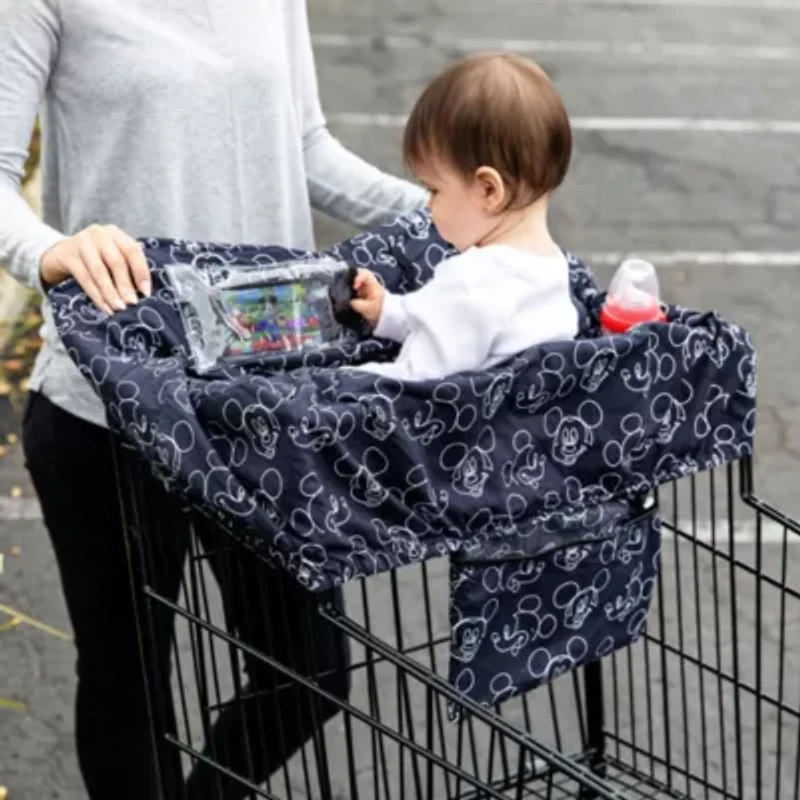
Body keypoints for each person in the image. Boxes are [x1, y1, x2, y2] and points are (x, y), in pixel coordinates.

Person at [0, 1, 425, 798]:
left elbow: (304, 147)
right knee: (131, 687)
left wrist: (458, 221)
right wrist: (53, 250)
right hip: (110, 408)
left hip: (262, 405)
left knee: (308, 671)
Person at [351, 54, 578, 381]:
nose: (427, 207)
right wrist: (388, 311)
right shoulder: (551, 268)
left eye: (434, 190)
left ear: (489, 190)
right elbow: (450, 328)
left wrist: (339, 379)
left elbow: (415, 382)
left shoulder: (473, 283)